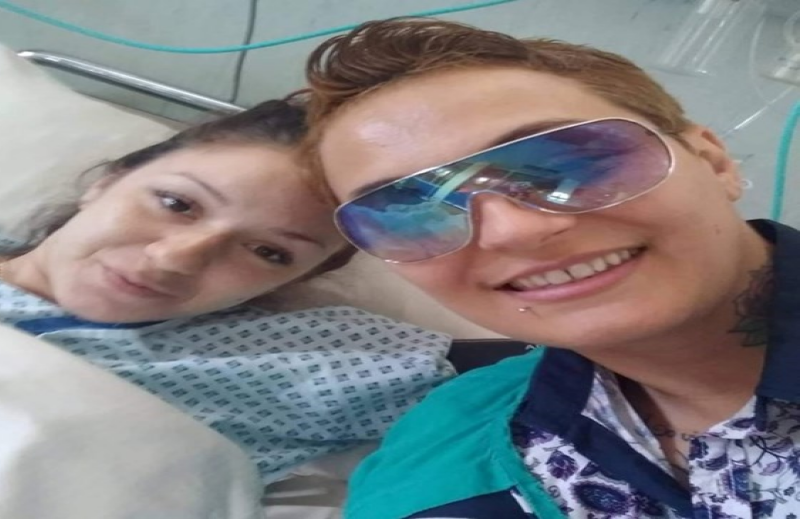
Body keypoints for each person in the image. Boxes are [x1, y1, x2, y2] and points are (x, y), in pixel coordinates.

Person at [302, 17, 800, 519]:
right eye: (410, 210)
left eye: (567, 163)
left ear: (714, 163)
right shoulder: (438, 447)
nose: (511, 231)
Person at [0, 98, 453, 481]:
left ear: (298, 279)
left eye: (269, 253)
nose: (174, 259)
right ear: (108, 180)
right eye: (177, 203)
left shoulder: (305, 360)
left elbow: (502, 386)